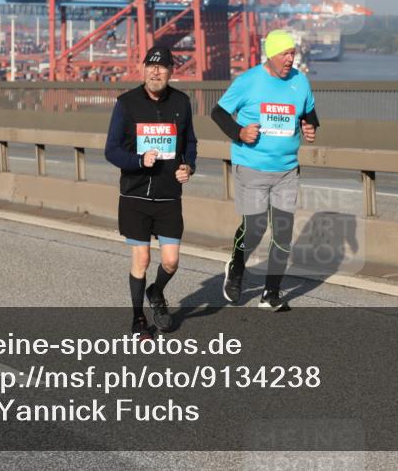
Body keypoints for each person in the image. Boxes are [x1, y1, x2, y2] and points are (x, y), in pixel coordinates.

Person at [211, 29, 318, 311]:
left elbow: (309, 113)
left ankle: (271, 293)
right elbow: (218, 113)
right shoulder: (248, 81)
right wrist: (239, 132)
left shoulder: (300, 82)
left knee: (283, 232)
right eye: (285, 54)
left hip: (286, 170)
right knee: (256, 228)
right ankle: (235, 271)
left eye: (293, 53)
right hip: (251, 167)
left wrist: (310, 127)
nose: (290, 59)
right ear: (270, 54)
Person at [105, 46, 196, 338]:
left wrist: (188, 167)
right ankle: (138, 319)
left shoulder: (182, 102)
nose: (155, 71)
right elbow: (111, 150)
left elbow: (190, 143)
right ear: (143, 69)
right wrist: (138, 161)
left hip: (169, 196)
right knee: (141, 259)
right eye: (150, 66)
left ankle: (156, 291)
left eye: (162, 67)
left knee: (171, 261)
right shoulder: (126, 103)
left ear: (171, 72)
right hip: (135, 196)